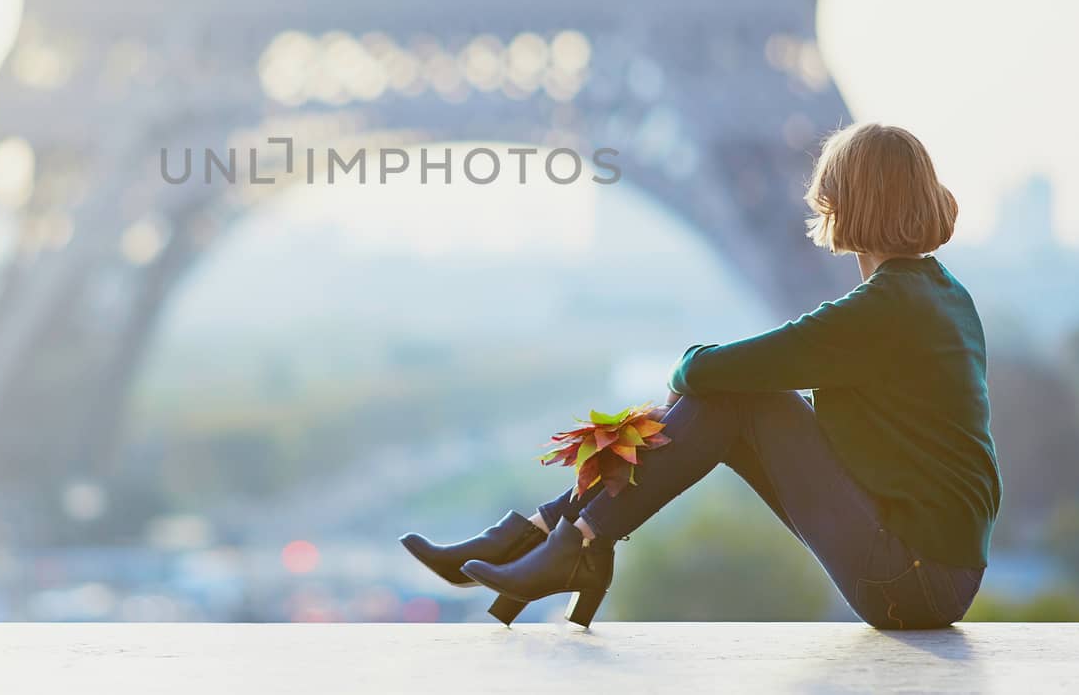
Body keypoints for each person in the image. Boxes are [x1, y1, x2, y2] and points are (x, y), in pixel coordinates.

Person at [401, 122, 1001, 629]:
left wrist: (685, 379)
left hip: (914, 581)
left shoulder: (881, 310)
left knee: (736, 399)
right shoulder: (941, 295)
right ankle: (558, 536)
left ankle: (561, 539)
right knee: (733, 402)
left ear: (844, 203)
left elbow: (707, 368)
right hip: (934, 572)